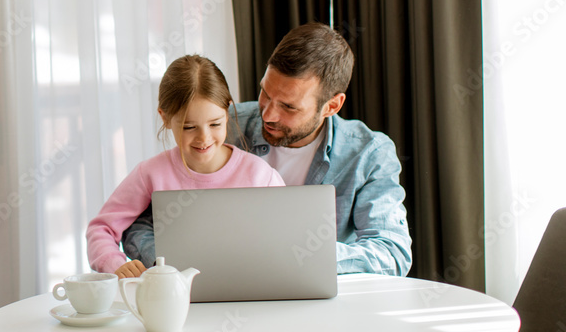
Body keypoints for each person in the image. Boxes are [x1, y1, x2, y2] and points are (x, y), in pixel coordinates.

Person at [121, 22, 413, 278]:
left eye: (288, 106)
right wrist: (177, 264)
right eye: (265, 92)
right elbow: (142, 225)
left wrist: (300, 255)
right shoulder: (221, 127)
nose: (268, 114)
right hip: (219, 292)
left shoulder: (368, 154)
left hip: (317, 303)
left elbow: (392, 251)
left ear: (332, 106)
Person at [86, 54, 285, 279]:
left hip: (250, 289)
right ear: (165, 118)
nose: (204, 138)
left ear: (227, 111)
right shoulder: (150, 173)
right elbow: (100, 229)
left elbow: (285, 238)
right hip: (176, 299)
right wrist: (115, 265)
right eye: (189, 127)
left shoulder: (261, 175)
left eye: (215, 124)